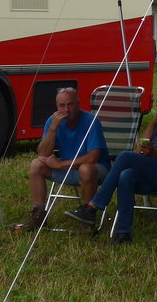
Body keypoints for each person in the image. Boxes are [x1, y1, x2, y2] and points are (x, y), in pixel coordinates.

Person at [65, 83, 157, 244]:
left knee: (125, 156)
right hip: (153, 172)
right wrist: (153, 123)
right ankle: (124, 233)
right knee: (126, 175)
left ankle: (94, 206)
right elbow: (140, 148)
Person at [22, 86, 109, 230]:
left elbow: (93, 157)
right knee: (36, 165)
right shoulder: (53, 121)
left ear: (78, 103)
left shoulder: (91, 121)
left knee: (85, 169)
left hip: (97, 169)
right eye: (62, 106)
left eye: (70, 104)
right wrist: (52, 129)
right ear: (56, 106)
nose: (66, 110)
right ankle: (38, 214)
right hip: (70, 169)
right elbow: (43, 153)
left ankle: (87, 218)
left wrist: (61, 165)